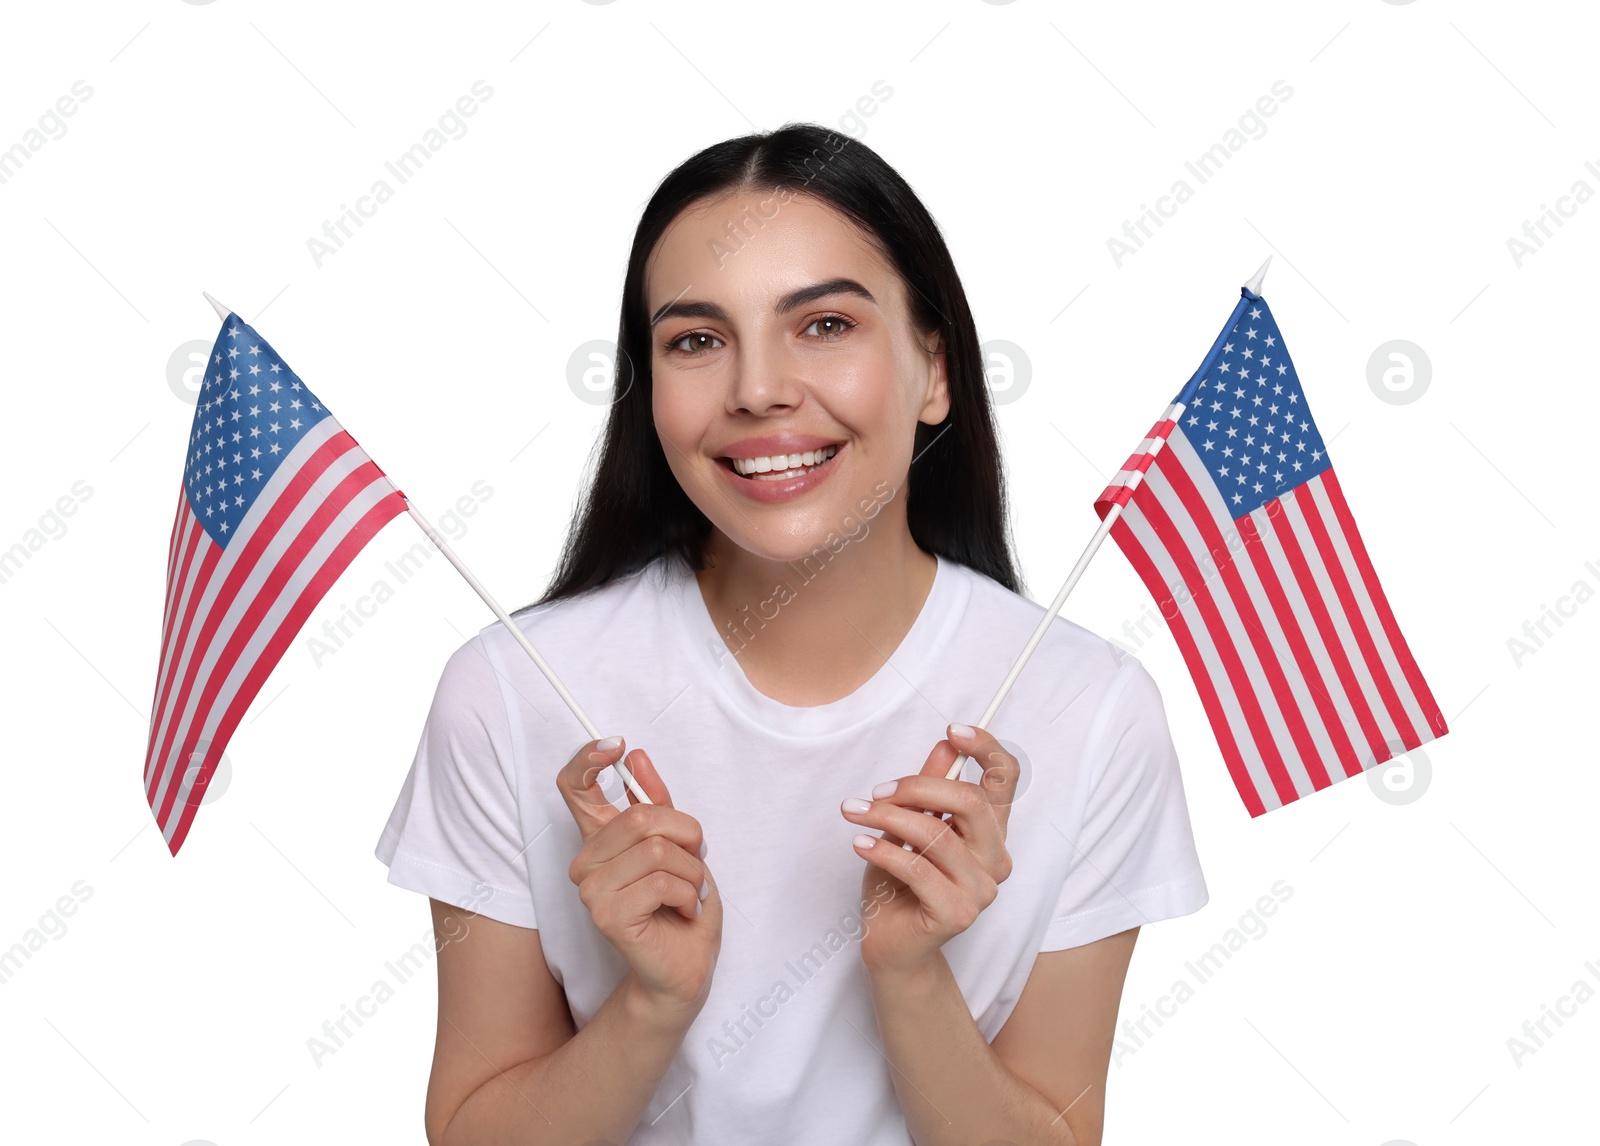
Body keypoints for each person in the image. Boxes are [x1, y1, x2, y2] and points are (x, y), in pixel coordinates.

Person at [375, 122, 1208, 1146]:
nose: (758, 389)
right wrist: (650, 1004)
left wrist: (908, 977)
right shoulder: (508, 692)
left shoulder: (1091, 706)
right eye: (695, 340)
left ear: (934, 370)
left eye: (823, 325)